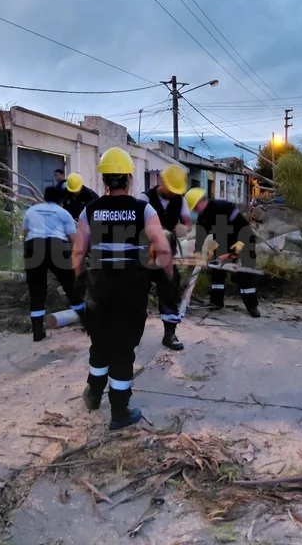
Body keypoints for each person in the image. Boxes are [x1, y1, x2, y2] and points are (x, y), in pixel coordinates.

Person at [71, 147, 174, 430]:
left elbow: (78, 254)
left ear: (104, 179)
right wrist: (168, 275)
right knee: (123, 347)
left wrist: (80, 283)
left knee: (101, 341)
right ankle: (119, 411)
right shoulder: (143, 208)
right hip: (131, 286)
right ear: (129, 178)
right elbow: (162, 247)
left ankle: (93, 393)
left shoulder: (89, 209)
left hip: (100, 285)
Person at [136, 164, 192, 351]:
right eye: (171, 189)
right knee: (138, 294)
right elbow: (135, 227)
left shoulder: (180, 200)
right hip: (145, 256)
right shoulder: (145, 199)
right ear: (162, 181)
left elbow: (187, 223)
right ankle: (133, 334)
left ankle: (170, 334)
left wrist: (184, 229)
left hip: (167, 257)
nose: (173, 193)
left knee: (170, 293)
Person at [21, 186, 86, 342]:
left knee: (36, 290)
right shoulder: (64, 213)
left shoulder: (31, 211)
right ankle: (87, 323)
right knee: (71, 287)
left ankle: (37, 332)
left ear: (44, 196)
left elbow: (25, 234)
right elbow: (73, 238)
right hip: (57, 246)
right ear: (61, 199)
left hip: (33, 246)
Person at [185, 188, 261, 318]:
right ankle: (216, 302)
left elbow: (244, 230)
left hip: (244, 240)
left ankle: (252, 306)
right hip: (226, 243)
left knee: (245, 273)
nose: (195, 210)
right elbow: (201, 233)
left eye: (195, 207)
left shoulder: (224, 208)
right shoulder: (203, 216)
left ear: (201, 202)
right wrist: (197, 251)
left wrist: (232, 252)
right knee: (217, 268)